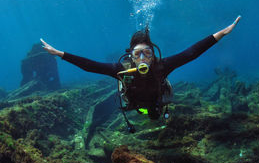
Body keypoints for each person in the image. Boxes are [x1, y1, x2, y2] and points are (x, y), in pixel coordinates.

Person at [41, 16, 241, 131]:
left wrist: (221, 34)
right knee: (141, 111)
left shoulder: (161, 66)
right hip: (134, 102)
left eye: (148, 52)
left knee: (155, 114)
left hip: (157, 98)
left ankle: (160, 101)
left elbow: (191, 53)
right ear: (132, 56)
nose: (143, 58)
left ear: (153, 54)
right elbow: (90, 66)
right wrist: (60, 54)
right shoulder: (121, 70)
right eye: (138, 53)